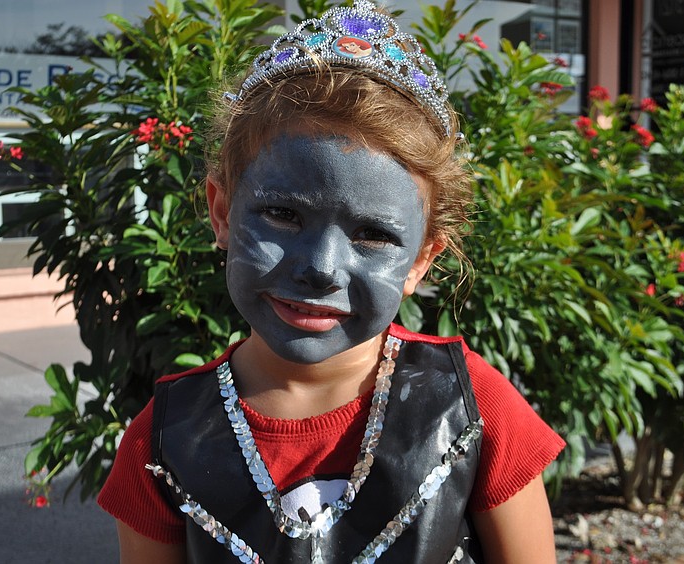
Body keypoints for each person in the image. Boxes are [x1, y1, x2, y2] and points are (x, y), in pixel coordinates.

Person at [98, 2, 565, 562]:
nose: (321, 266)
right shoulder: (163, 441)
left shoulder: (474, 409)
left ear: (421, 259)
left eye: (372, 235)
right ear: (221, 212)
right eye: (282, 215)